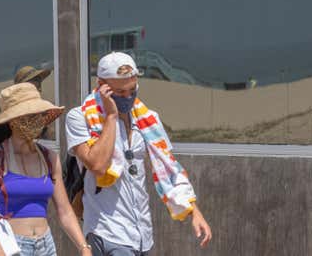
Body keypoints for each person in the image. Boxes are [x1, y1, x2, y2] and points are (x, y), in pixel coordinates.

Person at [65, 52, 212, 255]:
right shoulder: (80, 117)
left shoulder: (147, 119)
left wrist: (194, 211)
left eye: (132, 90)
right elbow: (97, 166)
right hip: (108, 231)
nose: (127, 97)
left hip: (142, 234)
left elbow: (168, 165)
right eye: (119, 91)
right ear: (101, 85)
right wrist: (111, 116)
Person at [0, 83, 92, 256]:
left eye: (39, 114)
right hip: (11, 245)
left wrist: (84, 247)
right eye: (29, 115)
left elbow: (65, 211)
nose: (36, 120)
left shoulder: (49, 157)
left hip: (46, 246)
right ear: (12, 121)